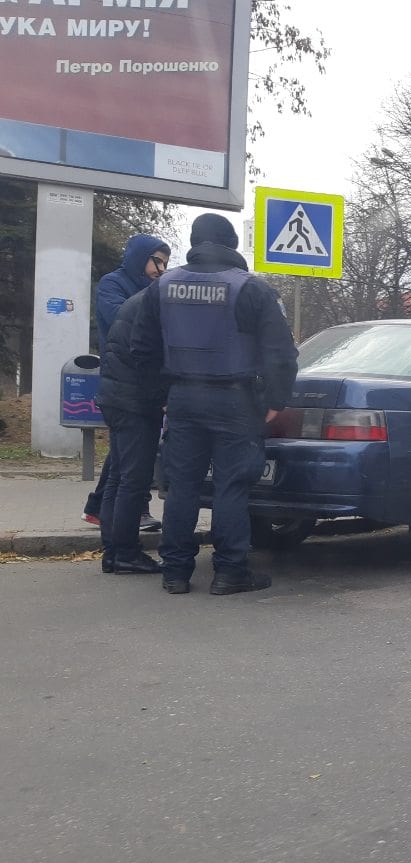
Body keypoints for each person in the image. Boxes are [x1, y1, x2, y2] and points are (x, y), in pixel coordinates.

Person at [131, 213, 298, 596]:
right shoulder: (251, 289)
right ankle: (230, 573)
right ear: (232, 245)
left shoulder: (162, 286)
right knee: (232, 487)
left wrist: (163, 398)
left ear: (194, 241)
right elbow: (281, 353)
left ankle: (174, 573)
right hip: (235, 399)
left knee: (182, 487)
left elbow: (142, 348)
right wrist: (276, 399)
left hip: (183, 399)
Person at [83, 234, 171, 529]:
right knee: (130, 463)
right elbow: (124, 319)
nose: (160, 269)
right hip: (124, 380)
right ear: (139, 257)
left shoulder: (151, 289)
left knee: (124, 458)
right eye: (156, 260)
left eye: (165, 263)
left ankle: (102, 512)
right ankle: (124, 526)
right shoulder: (113, 284)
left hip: (139, 382)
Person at [95, 288, 167, 575]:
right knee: (134, 481)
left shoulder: (134, 302)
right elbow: (146, 355)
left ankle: (112, 551)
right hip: (134, 403)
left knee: (117, 478)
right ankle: (126, 552)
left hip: (115, 398)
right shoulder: (153, 304)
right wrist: (161, 397)